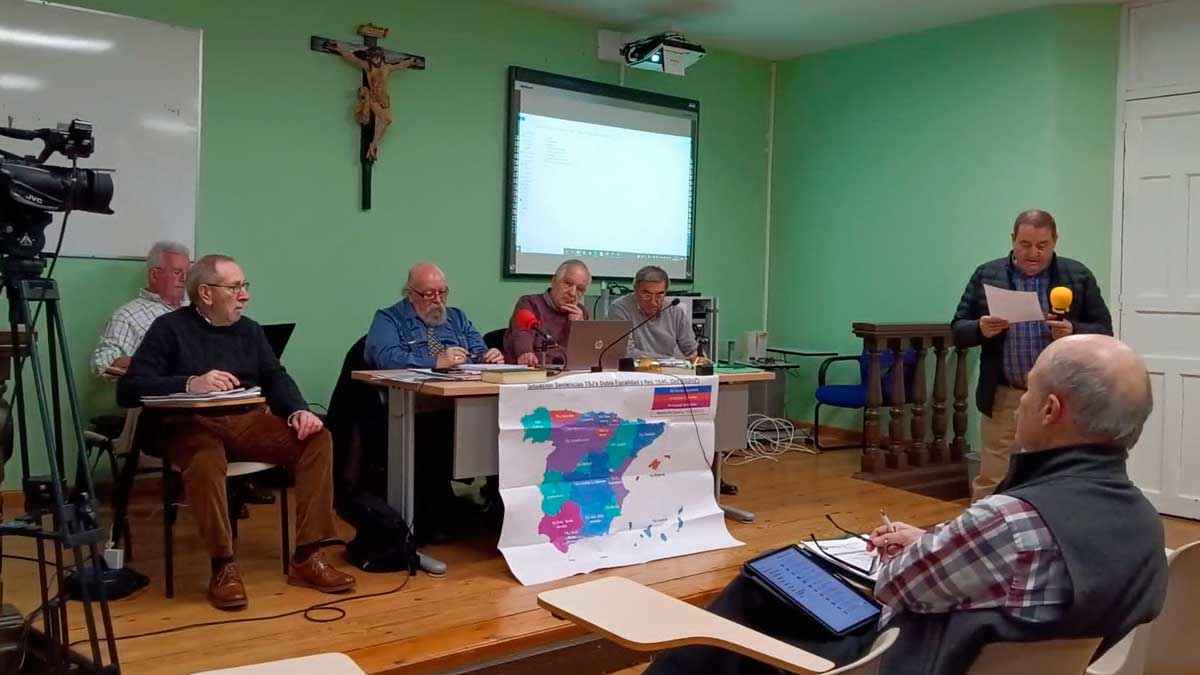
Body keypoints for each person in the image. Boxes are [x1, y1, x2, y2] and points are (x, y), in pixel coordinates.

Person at [646, 334, 1167, 675]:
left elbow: (895, 588)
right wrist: (936, 543)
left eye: (1029, 393)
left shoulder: (1008, 521)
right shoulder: (1144, 521)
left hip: (899, 660)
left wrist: (924, 550)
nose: (1023, 403)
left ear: (1051, 410)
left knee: (759, 585)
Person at [118, 255, 355, 610]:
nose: (244, 295)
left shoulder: (250, 330)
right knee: (205, 459)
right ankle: (223, 566)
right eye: (235, 287)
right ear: (206, 294)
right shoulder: (169, 328)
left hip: (244, 421)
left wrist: (299, 410)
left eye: (245, 286)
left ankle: (307, 556)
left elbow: (275, 376)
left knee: (317, 438)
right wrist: (189, 382)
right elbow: (128, 390)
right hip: (187, 425)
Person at [952, 209, 1112, 500]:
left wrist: (1073, 330)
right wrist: (980, 328)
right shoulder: (988, 274)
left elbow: (1105, 332)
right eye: (1025, 245)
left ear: (1055, 241)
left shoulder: (1077, 276)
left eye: (1042, 245)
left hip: (1061, 397)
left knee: (1058, 478)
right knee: (993, 479)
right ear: (1013, 240)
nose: (1033, 253)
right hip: (1005, 395)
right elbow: (957, 329)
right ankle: (984, 541)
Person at [364, 262, 503, 369]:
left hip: (461, 388)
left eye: (442, 292)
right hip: (413, 395)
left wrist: (489, 357)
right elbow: (385, 358)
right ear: (410, 294)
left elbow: (478, 352)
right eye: (429, 294)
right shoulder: (388, 319)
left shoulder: (458, 317)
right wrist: (436, 361)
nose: (437, 300)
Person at [91, 240, 190, 376]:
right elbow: (102, 362)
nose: (184, 278)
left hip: (205, 388)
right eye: (177, 272)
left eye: (187, 273)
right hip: (159, 391)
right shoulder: (128, 315)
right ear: (154, 275)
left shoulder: (196, 308)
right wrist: (151, 361)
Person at [503, 259, 590, 366]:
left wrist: (580, 329)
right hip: (532, 372)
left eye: (580, 289)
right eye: (568, 284)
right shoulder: (529, 304)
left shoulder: (581, 313)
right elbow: (522, 334)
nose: (572, 293)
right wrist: (526, 353)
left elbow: (586, 356)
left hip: (567, 375)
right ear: (554, 281)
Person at [609, 265, 705, 361]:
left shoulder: (675, 311)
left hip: (668, 371)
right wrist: (670, 360)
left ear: (665, 293)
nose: (653, 302)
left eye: (659, 295)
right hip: (633, 371)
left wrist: (699, 358)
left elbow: (692, 348)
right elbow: (625, 352)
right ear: (635, 290)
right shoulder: (620, 309)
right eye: (646, 295)